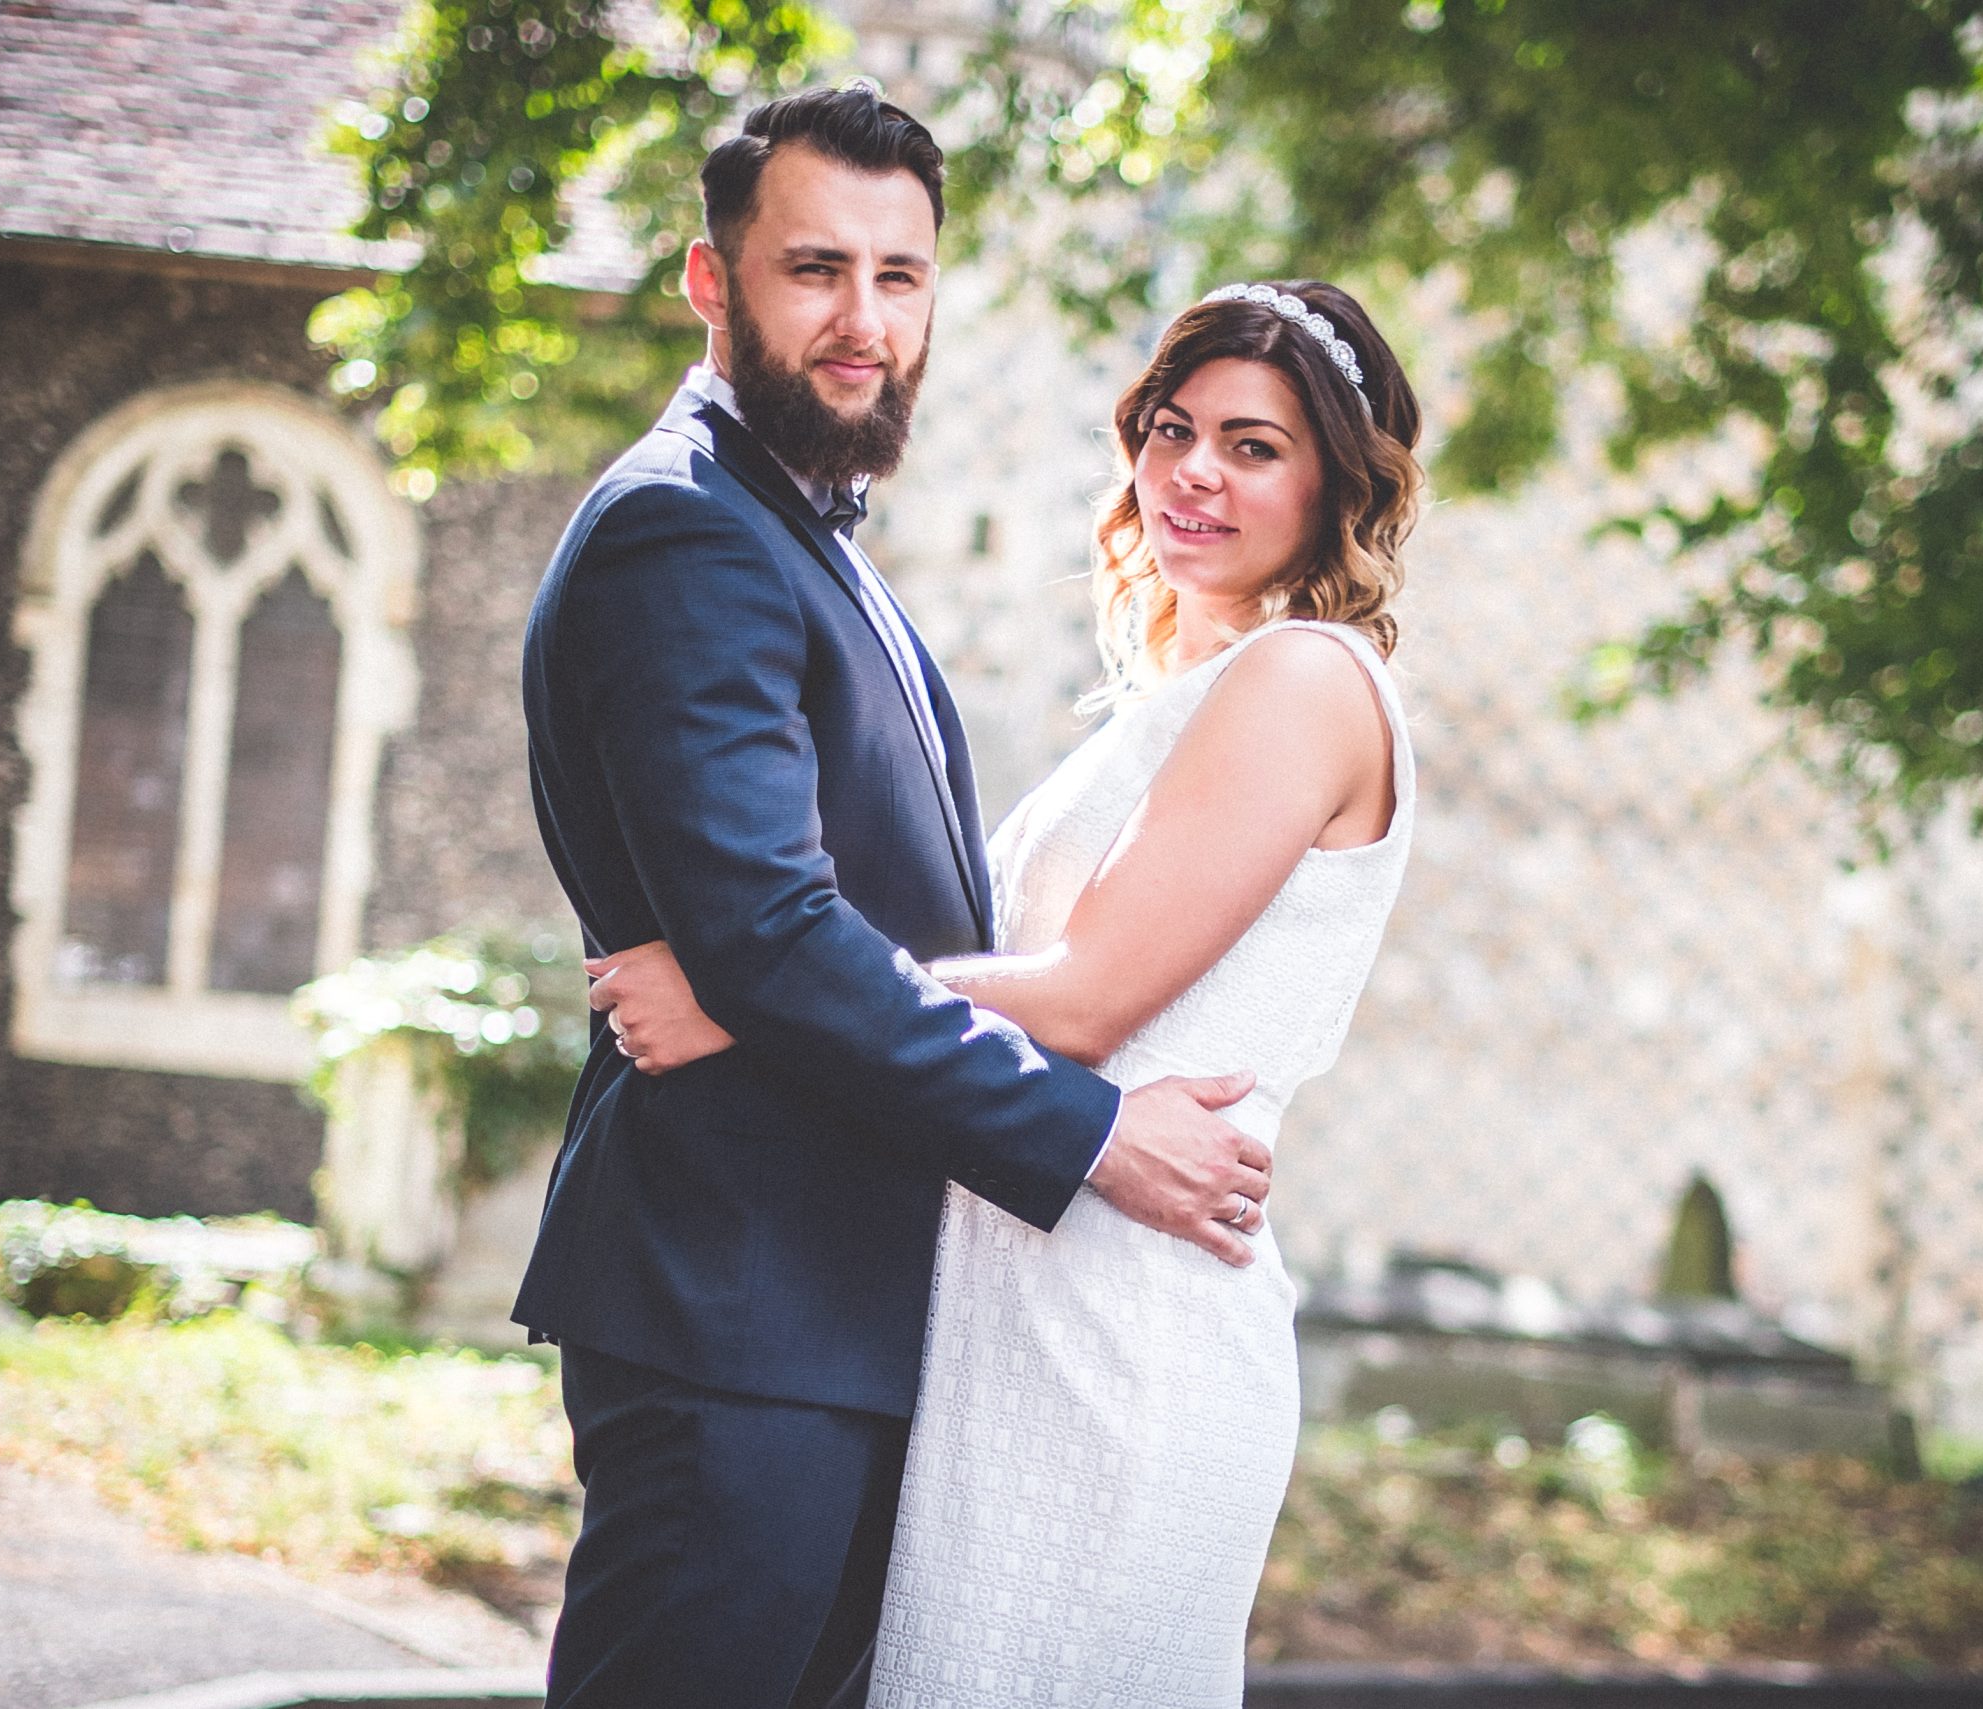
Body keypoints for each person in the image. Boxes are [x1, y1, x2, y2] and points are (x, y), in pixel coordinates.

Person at [512, 87, 1278, 1709]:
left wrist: (738, 984)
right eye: (816, 270)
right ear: (712, 281)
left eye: (900, 276)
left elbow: (803, 941)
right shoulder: (684, 531)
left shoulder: (805, 535)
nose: (864, 320)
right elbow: (771, 931)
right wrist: (1092, 1132)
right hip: (741, 1320)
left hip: (835, 1323)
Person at [592, 271, 1426, 1703]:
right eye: (1173, 429)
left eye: (1254, 446)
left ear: (1338, 484)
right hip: (1020, 1307)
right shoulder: (1182, 695)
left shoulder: (1303, 682)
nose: (1194, 473)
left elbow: (1086, 998)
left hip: (1131, 1324)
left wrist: (741, 992)